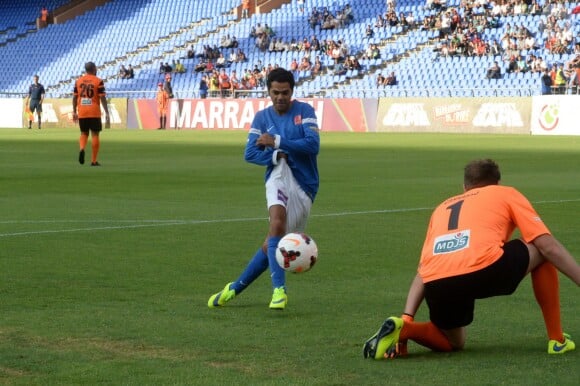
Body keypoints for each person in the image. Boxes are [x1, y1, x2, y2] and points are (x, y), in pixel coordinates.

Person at [363, 159, 580, 360]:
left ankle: (405, 328)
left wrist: (407, 316)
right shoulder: (505, 193)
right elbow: (547, 246)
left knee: (453, 341)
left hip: (438, 282)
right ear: (497, 182)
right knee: (541, 247)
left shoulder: (441, 207)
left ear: (464, 186)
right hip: (485, 268)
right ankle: (557, 339)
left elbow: (424, 270)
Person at [207, 68, 320, 310]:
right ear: (268, 91)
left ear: (292, 91)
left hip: (304, 185)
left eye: (285, 92)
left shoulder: (305, 111)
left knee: (272, 242)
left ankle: (235, 287)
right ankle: (279, 291)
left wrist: (276, 141)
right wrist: (275, 154)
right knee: (277, 224)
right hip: (277, 174)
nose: (280, 97)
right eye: (275, 92)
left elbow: (312, 145)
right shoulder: (262, 118)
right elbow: (250, 153)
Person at [72, 62, 110, 166]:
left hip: (82, 112)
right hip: (94, 111)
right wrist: (106, 111)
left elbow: (75, 97)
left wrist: (74, 111)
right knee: (95, 134)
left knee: (84, 133)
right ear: (94, 69)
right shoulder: (98, 81)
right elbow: (102, 97)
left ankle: (82, 148)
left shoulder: (78, 81)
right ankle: (93, 161)